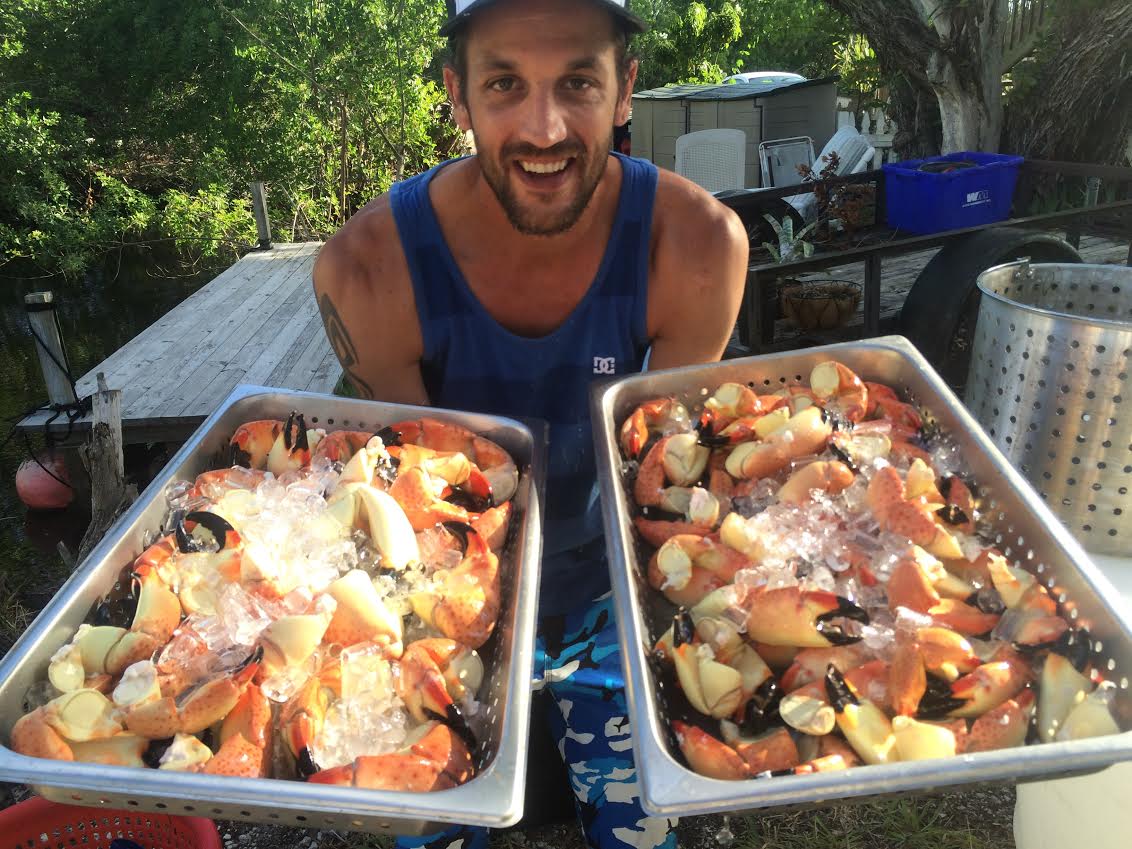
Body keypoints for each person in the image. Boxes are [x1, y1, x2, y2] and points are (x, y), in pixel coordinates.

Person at [312, 0, 749, 847]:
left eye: (577, 82)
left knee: (644, 832)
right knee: (431, 828)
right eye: (505, 84)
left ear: (625, 88)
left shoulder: (695, 247)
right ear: (457, 95)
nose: (544, 130)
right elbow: (406, 507)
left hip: (611, 590)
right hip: (438, 597)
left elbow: (669, 477)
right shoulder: (367, 271)